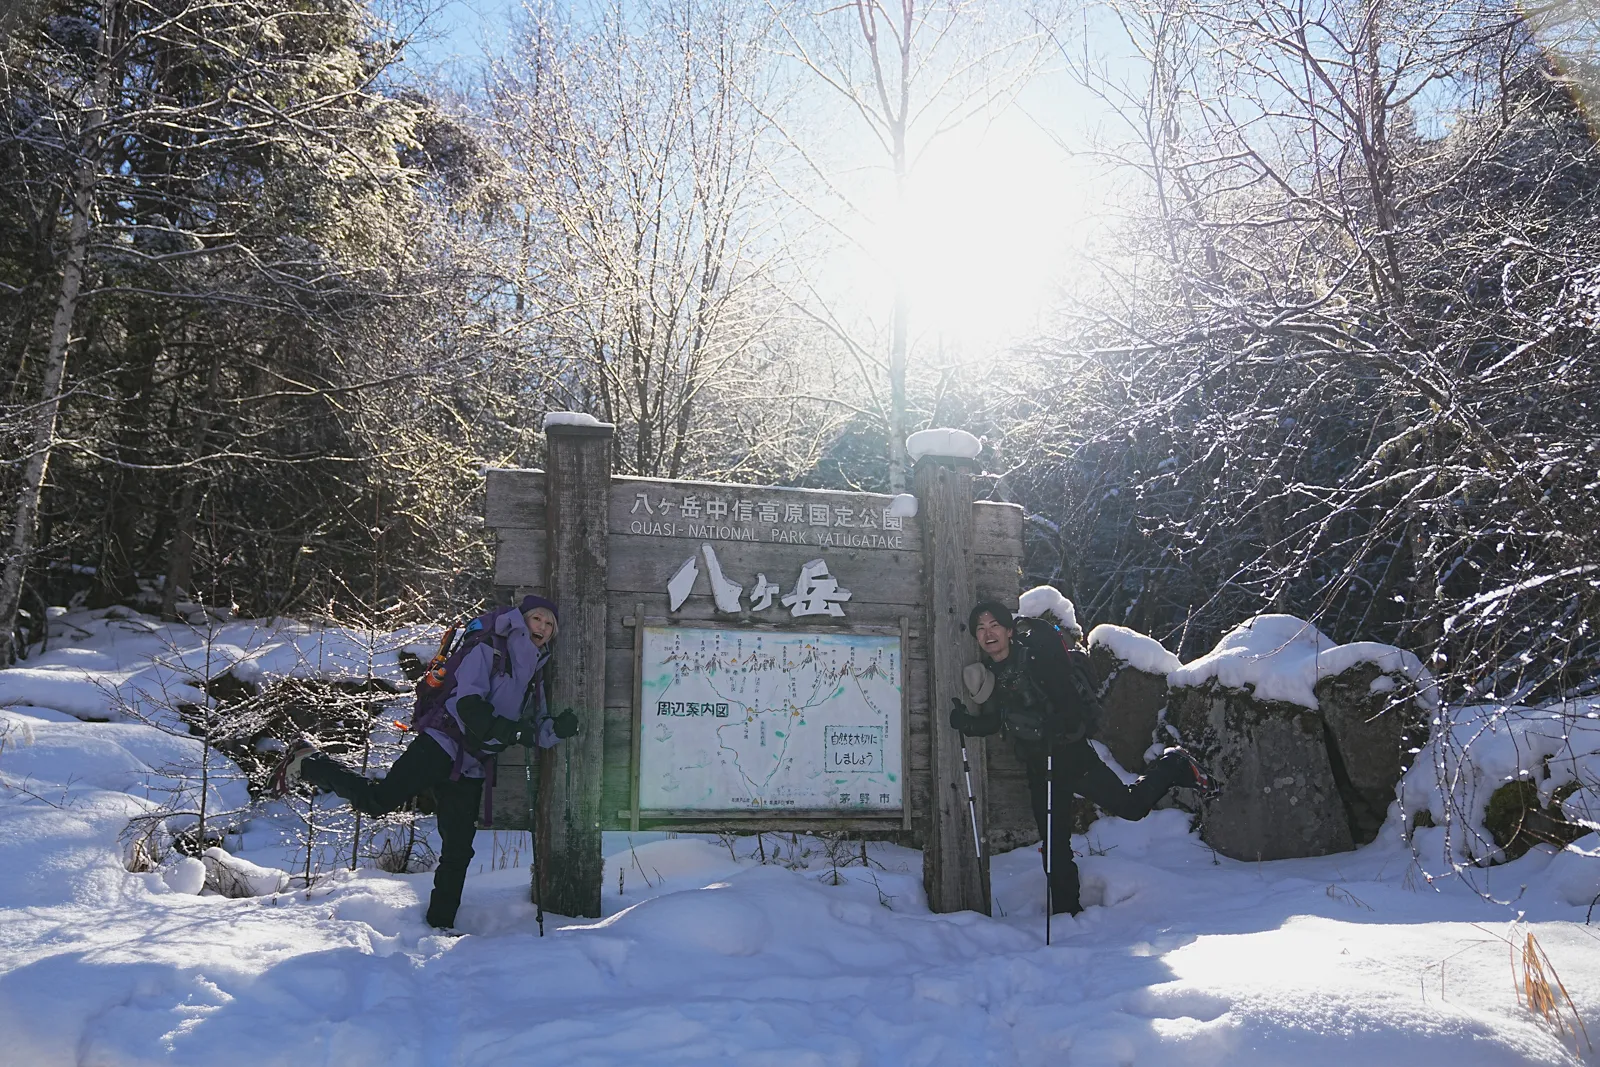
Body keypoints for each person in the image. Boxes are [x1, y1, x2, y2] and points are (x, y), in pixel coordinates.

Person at [272, 595, 578, 929]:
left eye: (550, 625)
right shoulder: (490, 648)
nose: (543, 628)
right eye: (538, 619)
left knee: (459, 852)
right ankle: (309, 761)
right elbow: (467, 704)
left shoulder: (535, 670)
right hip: (441, 742)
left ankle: (439, 926)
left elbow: (536, 725)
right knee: (378, 801)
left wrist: (557, 730)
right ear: (522, 620)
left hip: (472, 764)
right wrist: (512, 733)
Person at [948, 599, 1216, 917]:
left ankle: (1174, 764)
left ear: (1008, 630)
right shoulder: (994, 674)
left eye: (994, 626)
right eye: (980, 628)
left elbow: (1069, 703)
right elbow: (997, 720)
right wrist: (967, 723)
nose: (987, 633)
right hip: (1039, 767)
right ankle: (1067, 915)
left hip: (1070, 756)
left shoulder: (1037, 658)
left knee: (1131, 807)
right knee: (1054, 848)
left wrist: (1057, 724)